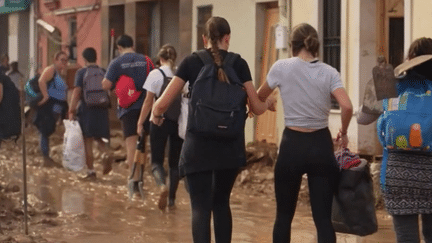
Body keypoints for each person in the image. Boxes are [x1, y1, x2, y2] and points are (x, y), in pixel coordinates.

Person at [150, 16, 276, 243]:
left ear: (204, 38)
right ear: (227, 38)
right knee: (221, 203)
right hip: (230, 145)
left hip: (198, 145)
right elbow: (256, 107)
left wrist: (155, 116)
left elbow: (161, 104)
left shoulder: (191, 62)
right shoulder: (239, 64)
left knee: (199, 207)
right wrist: (268, 103)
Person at [256, 23, 353, 243]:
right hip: (320, 144)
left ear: (292, 45)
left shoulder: (281, 67)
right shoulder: (329, 72)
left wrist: (270, 101)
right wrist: (344, 132)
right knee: (323, 220)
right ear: (316, 46)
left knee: (283, 217)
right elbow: (347, 107)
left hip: (292, 145)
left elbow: (259, 96)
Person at [358, 37, 432, 243]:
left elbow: (362, 119)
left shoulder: (389, 83)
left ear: (409, 59)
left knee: (406, 238)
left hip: (397, 175)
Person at [101, 35, 155, 197]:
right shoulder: (146, 60)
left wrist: (118, 83)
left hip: (128, 109)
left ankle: (133, 182)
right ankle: (141, 180)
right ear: (132, 45)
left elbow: (106, 85)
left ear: (119, 48)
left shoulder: (117, 62)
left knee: (131, 146)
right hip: (147, 106)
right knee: (142, 146)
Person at [137, 44, 182, 210]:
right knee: (174, 164)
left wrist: (140, 122)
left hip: (158, 121)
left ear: (160, 59)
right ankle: (171, 200)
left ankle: (162, 186)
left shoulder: (155, 74)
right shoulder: (181, 74)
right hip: (177, 122)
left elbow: (148, 101)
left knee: (156, 161)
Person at [69, 47, 113, 180]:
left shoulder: (81, 72)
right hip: (102, 110)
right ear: (96, 57)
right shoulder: (103, 71)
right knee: (100, 139)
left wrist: (71, 110)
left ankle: (91, 172)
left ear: (84, 58)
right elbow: (110, 89)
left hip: (87, 110)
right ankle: (106, 154)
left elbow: (76, 93)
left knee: (87, 141)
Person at [34, 51, 69, 167]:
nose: (64, 62)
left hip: (57, 106)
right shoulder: (51, 70)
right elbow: (41, 81)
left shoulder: (61, 73)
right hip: (48, 105)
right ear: (55, 60)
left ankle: (47, 157)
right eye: (62, 60)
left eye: (66, 60)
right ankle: (46, 158)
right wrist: (45, 96)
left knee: (49, 130)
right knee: (44, 131)